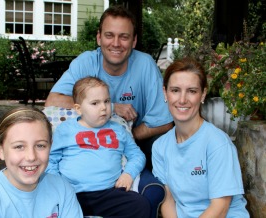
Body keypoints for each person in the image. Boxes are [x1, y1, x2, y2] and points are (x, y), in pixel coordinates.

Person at [45, 5, 174, 170]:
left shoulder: (145, 64)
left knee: (165, 144)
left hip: (135, 143)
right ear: (99, 38)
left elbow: (164, 122)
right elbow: (53, 101)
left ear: (133, 41)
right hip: (88, 142)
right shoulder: (85, 63)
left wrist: (122, 137)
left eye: (124, 37)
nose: (116, 43)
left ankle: (160, 191)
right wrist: (112, 107)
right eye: (109, 35)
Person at [152, 57, 250, 217]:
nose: (182, 99)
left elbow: (220, 208)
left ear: (203, 94)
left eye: (192, 91)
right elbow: (168, 201)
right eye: (175, 90)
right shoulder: (160, 146)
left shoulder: (218, 143)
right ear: (165, 93)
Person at [46, 77, 151, 217]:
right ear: (78, 109)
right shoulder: (65, 129)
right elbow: (51, 159)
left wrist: (128, 174)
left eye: (107, 101)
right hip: (72, 193)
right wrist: (58, 186)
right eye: (95, 103)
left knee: (140, 205)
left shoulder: (118, 129)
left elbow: (137, 155)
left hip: (108, 193)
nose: (103, 107)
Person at [0, 107, 83, 218]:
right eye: (19, 146)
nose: (31, 157)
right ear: (0, 150)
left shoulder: (63, 189)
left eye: (40, 145)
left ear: (50, 146)